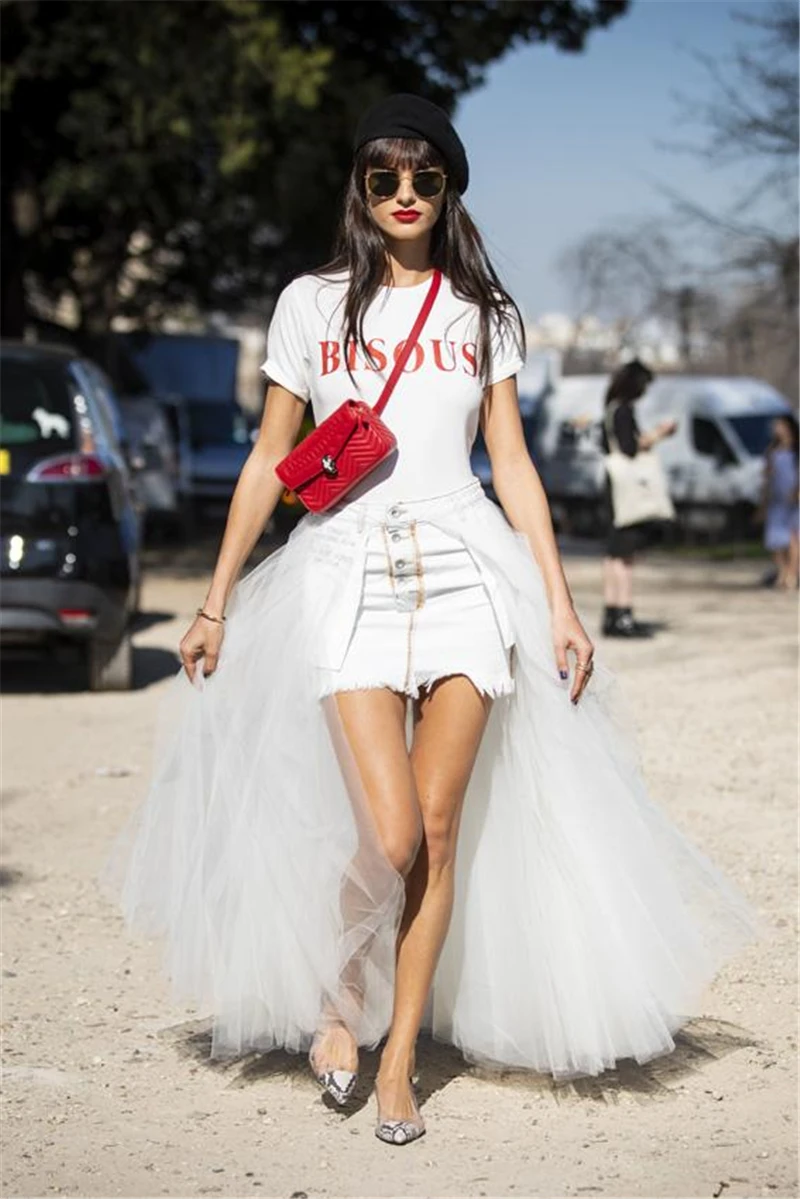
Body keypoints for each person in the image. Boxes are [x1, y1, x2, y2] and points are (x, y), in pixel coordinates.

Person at [100, 95, 761, 1147]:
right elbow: (272, 462)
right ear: (360, 190)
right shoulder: (309, 306)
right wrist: (216, 598)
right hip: (344, 572)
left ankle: (398, 1054)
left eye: (424, 178)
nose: (404, 195)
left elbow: (510, 460)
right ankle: (337, 994)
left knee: (439, 832)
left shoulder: (484, 312)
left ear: (448, 189)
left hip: (466, 570)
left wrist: (560, 602)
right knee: (391, 830)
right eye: (384, 178)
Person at [600, 359, 677, 638]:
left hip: (613, 486)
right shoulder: (623, 410)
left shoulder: (610, 409)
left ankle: (612, 613)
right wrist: (659, 434)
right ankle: (623, 614)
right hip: (626, 490)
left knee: (613, 553)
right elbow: (630, 448)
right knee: (624, 555)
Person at [761, 416, 799, 590]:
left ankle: (792, 573)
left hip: (795, 498)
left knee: (793, 536)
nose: (777, 428)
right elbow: (767, 476)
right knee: (776, 538)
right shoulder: (772, 450)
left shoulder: (796, 449)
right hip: (777, 498)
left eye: (780, 425)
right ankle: (782, 571)